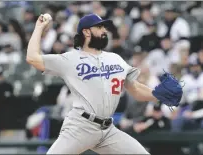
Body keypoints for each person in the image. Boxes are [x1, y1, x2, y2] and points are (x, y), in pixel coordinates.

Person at [26, 13, 181, 154]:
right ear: (86, 32)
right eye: (99, 27)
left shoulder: (115, 59)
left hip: (107, 130)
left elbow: (135, 88)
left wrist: (157, 95)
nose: (104, 31)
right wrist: (39, 28)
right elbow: (32, 58)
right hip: (80, 126)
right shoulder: (70, 59)